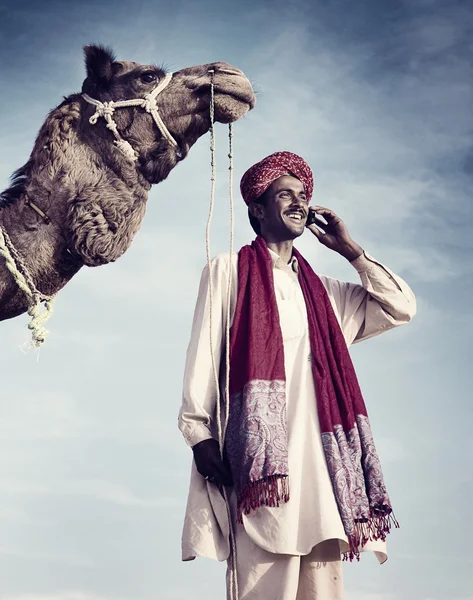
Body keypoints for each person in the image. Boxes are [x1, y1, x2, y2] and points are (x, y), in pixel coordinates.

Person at [178, 151, 416, 600]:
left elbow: (401, 307)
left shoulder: (327, 294)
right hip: (261, 472)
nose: (298, 202)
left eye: (303, 195)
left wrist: (353, 253)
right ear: (258, 209)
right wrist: (199, 434)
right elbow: (204, 354)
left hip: (325, 475)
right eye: (283, 194)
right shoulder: (228, 272)